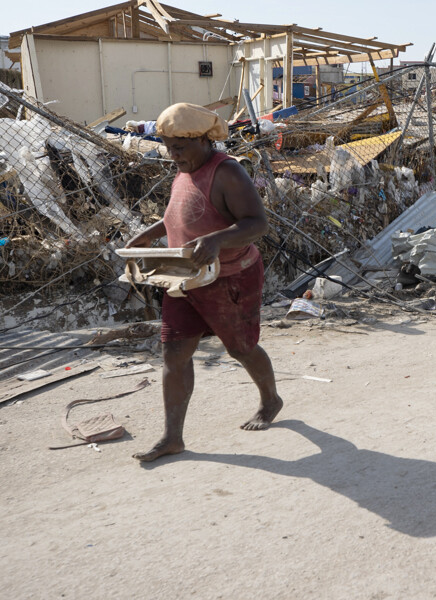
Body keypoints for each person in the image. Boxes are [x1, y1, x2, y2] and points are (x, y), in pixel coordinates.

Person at [125, 103, 283, 462]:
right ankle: (172, 437)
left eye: (179, 147)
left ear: (202, 139)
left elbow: (257, 223)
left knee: (240, 348)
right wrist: (149, 235)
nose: (172, 154)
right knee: (174, 354)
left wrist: (216, 240)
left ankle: (271, 399)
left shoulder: (227, 172)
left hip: (230, 275)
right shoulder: (184, 170)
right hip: (184, 276)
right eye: (167, 147)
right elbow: (181, 216)